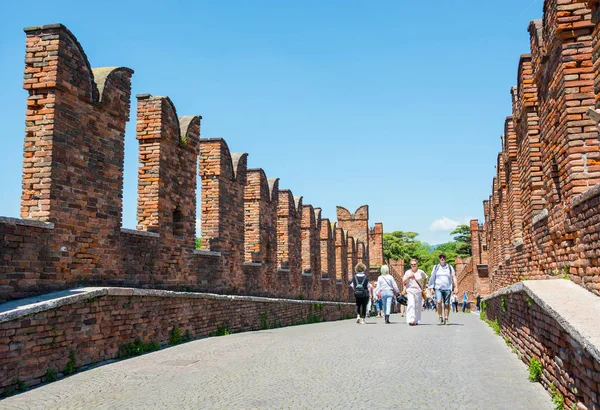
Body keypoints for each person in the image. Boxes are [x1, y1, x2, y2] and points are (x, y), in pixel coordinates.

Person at [428, 253, 458, 325]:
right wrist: (431, 288)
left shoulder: (450, 267)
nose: (442, 258)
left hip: (447, 288)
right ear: (439, 259)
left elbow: (454, 277)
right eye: (440, 257)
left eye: (443, 257)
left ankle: (446, 318)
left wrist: (456, 287)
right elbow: (432, 277)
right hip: (438, 288)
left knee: (447, 304)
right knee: (439, 302)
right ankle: (440, 317)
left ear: (445, 259)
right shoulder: (436, 267)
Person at [403, 259, 428, 326]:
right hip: (410, 290)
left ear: (417, 265)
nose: (413, 265)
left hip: (418, 291)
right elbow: (404, 282)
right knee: (411, 304)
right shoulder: (407, 272)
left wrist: (424, 286)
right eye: (412, 264)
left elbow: (426, 278)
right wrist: (408, 277)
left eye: (414, 264)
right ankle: (411, 320)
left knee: (417, 306)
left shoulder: (420, 272)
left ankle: (417, 320)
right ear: (410, 265)